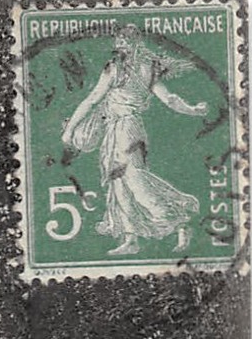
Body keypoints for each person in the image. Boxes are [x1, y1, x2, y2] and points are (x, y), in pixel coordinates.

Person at [61, 26, 208, 255]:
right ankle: (131, 238)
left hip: (125, 128)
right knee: (117, 182)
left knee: (135, 179)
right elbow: (169, 99)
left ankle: (178, 220)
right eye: (119, 42)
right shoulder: (146, 68)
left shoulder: (116, 69)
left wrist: (70, 130)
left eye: (123, 42)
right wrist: (193, 110)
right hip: (120, 127)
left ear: (133, 44)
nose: (119, 47)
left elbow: (91, 100)